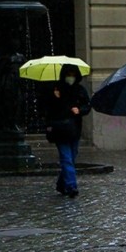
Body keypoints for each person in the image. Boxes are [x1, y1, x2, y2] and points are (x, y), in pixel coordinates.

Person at [42, 63, 91, 198]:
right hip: (60, 129)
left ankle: (61, 184)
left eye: (73, 75)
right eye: (68, 75)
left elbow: (87, 105)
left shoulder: (80, 90)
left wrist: (79, 110)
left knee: (71, 157)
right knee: (66, 158)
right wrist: (55, 98)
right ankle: (71, 186)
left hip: (74, 129)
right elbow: (48, 109)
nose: (70, 78)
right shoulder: (55, 89)